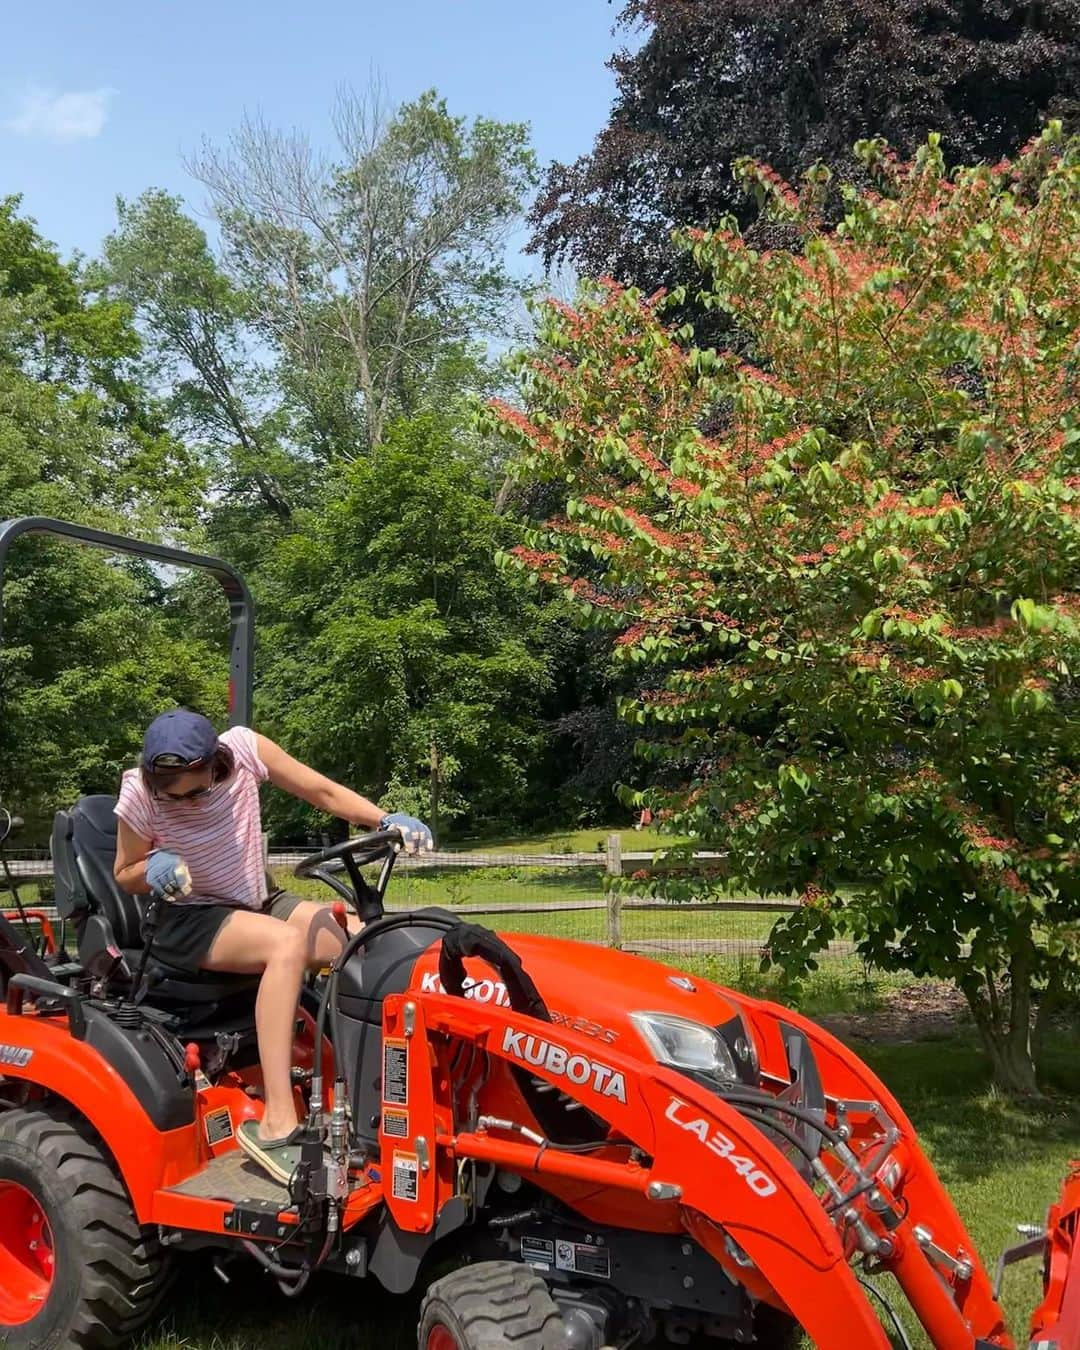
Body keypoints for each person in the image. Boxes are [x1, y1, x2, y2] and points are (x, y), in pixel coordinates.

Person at [113, 709, 433, 1182]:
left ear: (217, 763)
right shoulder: (139, 793)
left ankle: (366, 1096)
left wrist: (382, 818)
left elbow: (321, 791)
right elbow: (125, 872)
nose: (189, 802)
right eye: (174, 797)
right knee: (286, 946)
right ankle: (278, 1119)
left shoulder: (245, 748)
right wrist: (152, 867)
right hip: (187, 918)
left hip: (256, 898)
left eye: (198, 790)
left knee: (353, 946)